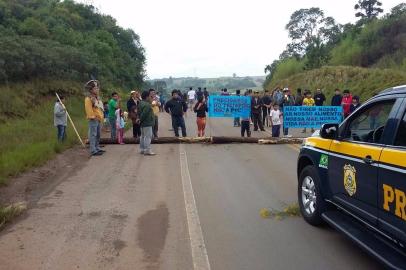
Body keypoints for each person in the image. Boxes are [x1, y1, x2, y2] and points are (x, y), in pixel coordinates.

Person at [84, 80, 105, 156]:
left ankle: (97, 147)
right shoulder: (88, 99)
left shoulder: (97, 98)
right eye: (95, 88)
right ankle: (93, 150)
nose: (97, 90)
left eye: (97, 88)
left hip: (99, 118)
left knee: (98, 134)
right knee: (93, 135)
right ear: (91, 90)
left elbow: (99, 108)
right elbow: (88, 110)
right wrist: (93, 117)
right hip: (94, 119)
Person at [138, 91, 156, 155]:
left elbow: (139, 113)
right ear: (147, 97)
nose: (150, 97)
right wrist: (140, 119)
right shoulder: (147, 105)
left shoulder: (140, 103)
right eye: (149, 96)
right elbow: (144, 114)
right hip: (147, 123)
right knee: (148, 137)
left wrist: (139, 120)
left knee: (142, 136)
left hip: (142, 123)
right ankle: (147, 150)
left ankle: (142, 149)